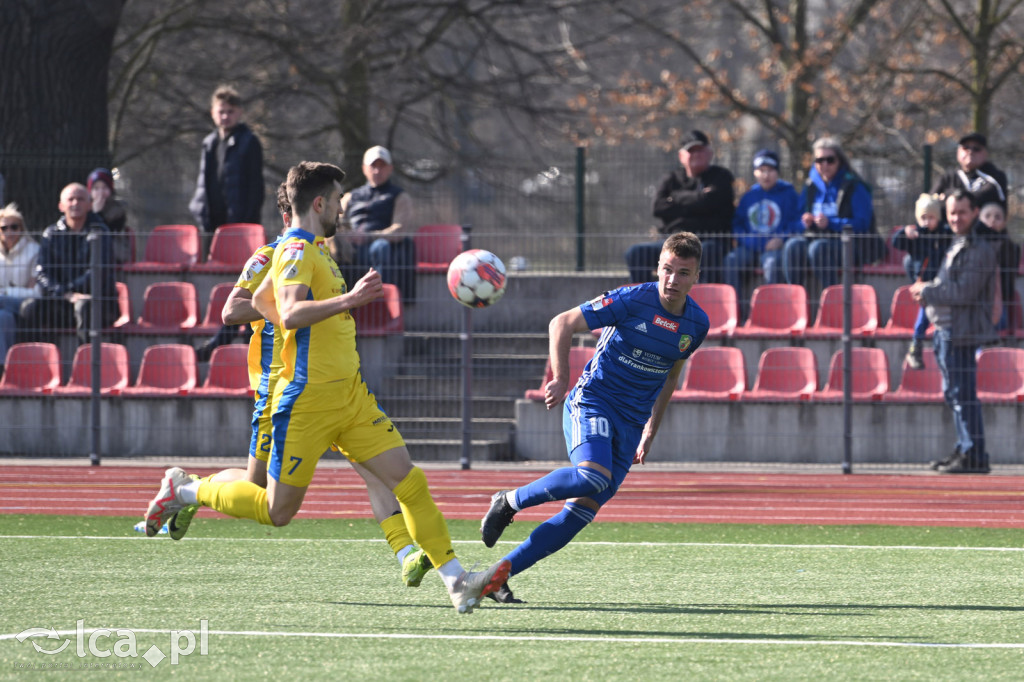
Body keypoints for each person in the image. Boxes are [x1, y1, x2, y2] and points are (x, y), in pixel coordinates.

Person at [145, 161, 508, 613]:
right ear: (319, 203)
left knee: (408, 481)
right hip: (305, 400)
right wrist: (350, 299)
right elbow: (285, 312)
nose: (343, 208)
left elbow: (275, 306)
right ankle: (186, 491)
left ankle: (456, 580)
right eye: (338, 200)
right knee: (276, 510)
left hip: (350, 396)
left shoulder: (318, 249)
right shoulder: (293, 250)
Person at [167, 182, 440, 591]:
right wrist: (284, 308)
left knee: (375, 470)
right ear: (289, 215)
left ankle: (406, 555)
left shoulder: (319, 254)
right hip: (280, 387)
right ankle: (192, 491)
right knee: (256, 487)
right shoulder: (269, 256)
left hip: (328, 385)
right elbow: (230, 311)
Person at [480, 232, 709, 593]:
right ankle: (508, 500)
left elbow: (671, 375)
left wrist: (651, 429)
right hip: (594, 402)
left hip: (632, 423)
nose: (672, 280)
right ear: (658, 268)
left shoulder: (697, 324)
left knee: (581, 512)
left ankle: (500, 576)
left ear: (697, 277)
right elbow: (562, 322)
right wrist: (560, 377)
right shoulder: (632, 299)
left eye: (683, 273)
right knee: (592, 476)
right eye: (667, 269)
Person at [910, 190, 997, 474]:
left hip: (960, 329)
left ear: (974, 212)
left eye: (962, 212)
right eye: (952, 212)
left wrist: (928, 291)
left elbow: (963, 292)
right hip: (945, 327)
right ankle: (965, 449)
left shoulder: (979, 248)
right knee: (954, 393)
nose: (956, 218)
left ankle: (973, 453)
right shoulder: (956, 242)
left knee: (962, 393)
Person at [625, 130, 734, 284]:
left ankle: (703, 305)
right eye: (691, 151)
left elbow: (713, 201)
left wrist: (675, 198)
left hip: (710, 241)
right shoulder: (671, 178)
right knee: (636, 253)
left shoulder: (721, 176)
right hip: (673, 242)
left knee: (709, 252)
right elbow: (658, 207)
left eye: (700, 150)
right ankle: (646, 303)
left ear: (710, 153)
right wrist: (699, 200)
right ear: (681, 156)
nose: (696, 155)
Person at [19, 184, 116, 345]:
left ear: (90, 204)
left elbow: (98, 272)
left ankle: (85, 365)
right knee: (29, 307)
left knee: (83, 306)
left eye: (80, 199)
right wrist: (64, 293)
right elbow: (42, 274)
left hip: (96, 304)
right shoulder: (51, 234)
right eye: (70, 199)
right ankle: (36, 361)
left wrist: (71, 291)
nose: (75, 203)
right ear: (61, 205)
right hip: (61, 301)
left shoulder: (100, 232)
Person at [783, 137, 880, 289]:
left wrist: (831, 223)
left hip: (849, 245)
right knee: (793, 245)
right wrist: (804, 223)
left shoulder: (854, 186)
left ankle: (831, 299)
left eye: (830, 160)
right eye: (819, 160)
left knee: (818, 248)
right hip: (815, 238)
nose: (825, 164)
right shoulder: (809, 187)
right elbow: (794, 222)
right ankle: (796, 301)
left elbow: (863, 223)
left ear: (839, 161)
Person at [330, 146, 416, 304]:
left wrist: (368, 237)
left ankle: (381, 300)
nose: (377, 170)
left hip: (379, 250)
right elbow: (333, 221)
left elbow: (399, 230)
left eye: (382, 166)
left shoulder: (400, 197)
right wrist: (345, 236)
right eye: (373, 166)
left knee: (381, 246)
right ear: (364, 169)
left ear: (390, 169)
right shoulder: (350, 196)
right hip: (350, 250)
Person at [188, 85, 265, 245]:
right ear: (212, 113)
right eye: (221, 111)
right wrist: (199, 211)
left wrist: (248, 222)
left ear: (239, 112)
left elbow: (256, 186)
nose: (225, 116)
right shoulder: (209, 144)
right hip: (211, 225)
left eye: (230, 111)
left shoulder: (249, 142)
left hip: (240, 225)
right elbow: (202, 183)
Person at [723, 149, 800, 299]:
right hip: (750, 247)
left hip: (775, 248)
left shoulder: (789, 193)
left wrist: (782, 239)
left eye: (770, 170)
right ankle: (738, 312)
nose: (765, 175)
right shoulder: (749, 196)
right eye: (761, 170)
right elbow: (737, 226)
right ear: (755, 173)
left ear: (777, 172)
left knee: (773, 264)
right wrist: (750, 241)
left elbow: (796, 222)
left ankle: (770, 311)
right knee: (731, 261)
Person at [891, 193, 953, 369]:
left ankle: (918, 345)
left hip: (941, 283)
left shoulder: (944, 233)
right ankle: (916, 344)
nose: (927, 221)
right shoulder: (917, 235)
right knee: (926, 311)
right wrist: (904, 232)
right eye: (923, 217)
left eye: (931, 217)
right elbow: (897, 242)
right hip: (925, 284)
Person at [0, 203, 40, 373]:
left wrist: (6, 293)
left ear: (22, 228)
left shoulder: (34, 251)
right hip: (4, 308)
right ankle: (5, 368)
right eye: (4, 228)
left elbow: (35, 292)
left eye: (14, 227)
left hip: (26, 305)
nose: (9, 232)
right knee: (3, 317)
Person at [931, 132, 1008, 211]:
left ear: (985, 153)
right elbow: (932, 203)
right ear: (958, 152)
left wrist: (948, 195)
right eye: (965, 147)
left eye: (976, 149)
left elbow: (985, 196)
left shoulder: (995, 177)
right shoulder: (947, 178)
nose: (970, 151)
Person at [975, 202, 1020, 333]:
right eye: (987, 216)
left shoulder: (1011, 247)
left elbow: (1008, 280)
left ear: (1004, 222)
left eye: (997, 217)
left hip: (998, 306)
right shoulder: (971, 245)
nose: (992, 220)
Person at [86, 168, 132, 266]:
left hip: (114, 252)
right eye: (96, 188)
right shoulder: (85, 209)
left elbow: (105, 233)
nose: (101, 192)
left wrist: (97, 215)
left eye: (105, 187)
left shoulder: (118, 210)